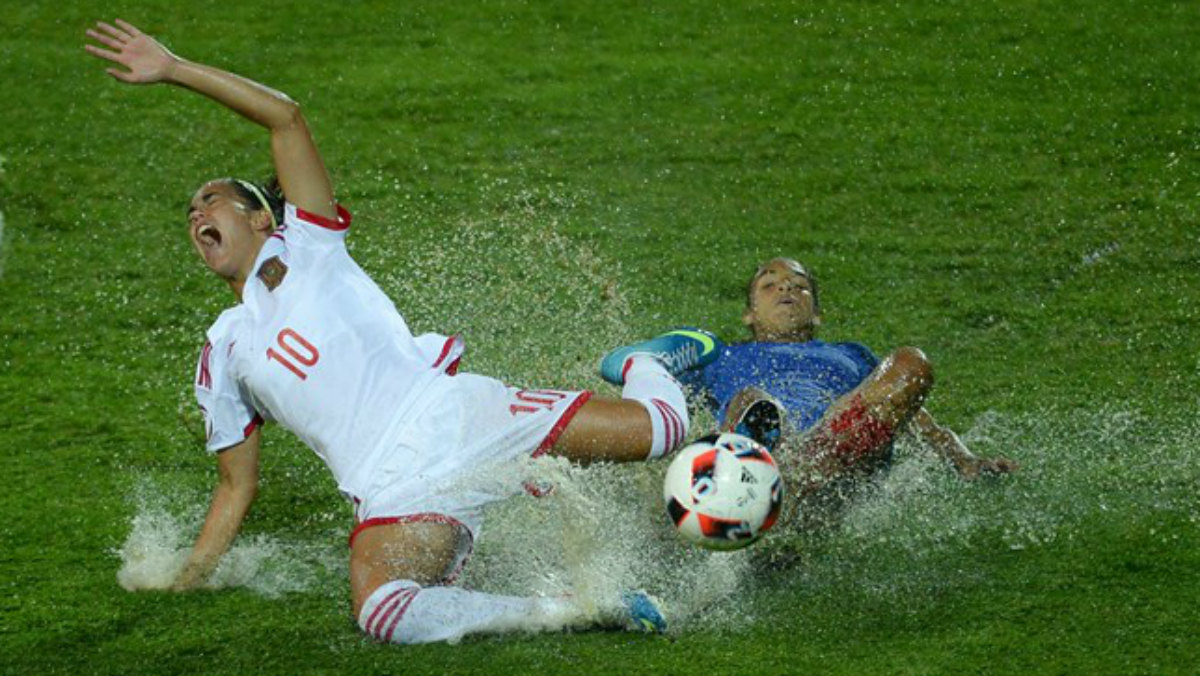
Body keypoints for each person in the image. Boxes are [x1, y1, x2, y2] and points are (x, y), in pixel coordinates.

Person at [85, 19, 722, 644]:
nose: (198, 213)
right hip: (391, 486)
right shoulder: (221, 350)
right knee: (384, 611)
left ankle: (643, 360)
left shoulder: (309, 242)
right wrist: (190, 577)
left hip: (456, 414)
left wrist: (173, 69)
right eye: (191, 212)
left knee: (659, 430)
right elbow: (236, 484)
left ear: (257, 217)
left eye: (212, 199)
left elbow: (285, 117)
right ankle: (571, 609)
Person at [602, 257, 1017, 524]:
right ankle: (764, 488)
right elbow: (653, 399)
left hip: (836, 450)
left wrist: (963, 459)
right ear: (749, 314)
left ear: (816, 313)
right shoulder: (718, 357)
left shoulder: (852, 355)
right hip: (756, 455)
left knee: (912, 362)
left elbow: (916, 420)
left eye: (799, 286)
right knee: (755, 402)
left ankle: (788, 489)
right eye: (770, 285)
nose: (785, 289)